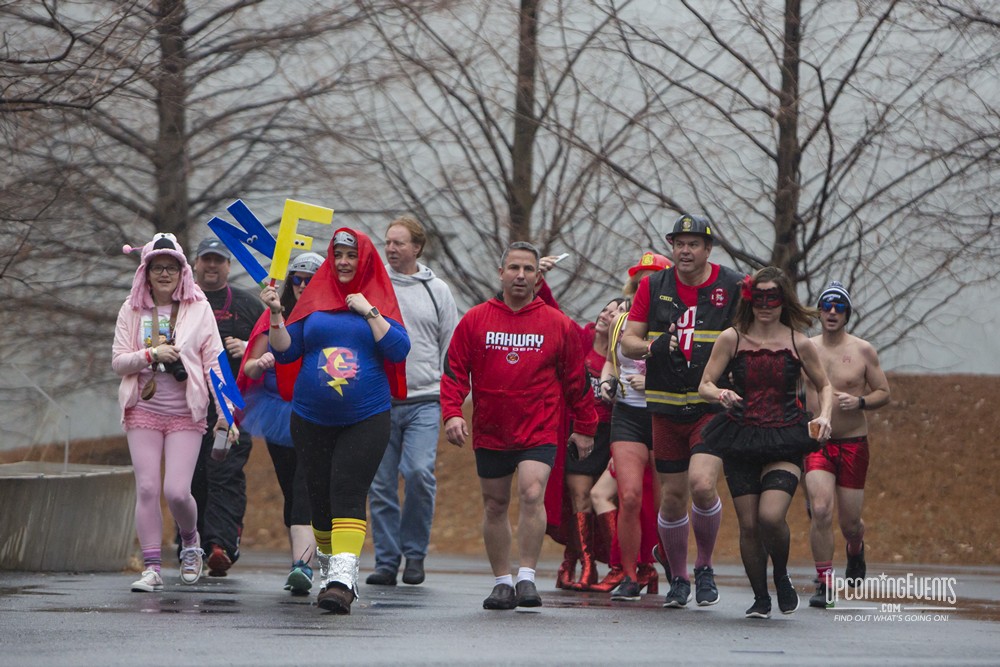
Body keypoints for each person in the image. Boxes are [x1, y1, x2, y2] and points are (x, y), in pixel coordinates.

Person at [440, 241, 598, 610]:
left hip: (539, 426)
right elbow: (453, 372)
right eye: (514, 268)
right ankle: (502, 582)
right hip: (492, 428)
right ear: (501, 273)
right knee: (495, 504)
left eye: (529, 270)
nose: (521, 276)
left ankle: (527, 577)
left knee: (531, 492)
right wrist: (452, 413)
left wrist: (585, 425)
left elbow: (578, 379)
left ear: (538, 276)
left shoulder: (556, 324)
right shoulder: (476, 319)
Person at [263, 227, 409, 614]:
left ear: (364, 259)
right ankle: (329, 575)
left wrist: (370, 311)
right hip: (310, 417)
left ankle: (344, 581)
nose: (344, 262)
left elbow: (398, 349)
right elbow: (285, 351)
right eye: (338, 255)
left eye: (351, 255)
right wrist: (277, 314)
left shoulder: (377, 297)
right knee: (319, 498)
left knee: (347, 489)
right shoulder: (314, 298)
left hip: (366, 417)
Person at [620, 214, 744, 608]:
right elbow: (628, 342)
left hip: (711, 404)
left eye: (694, 244)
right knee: (671, 498)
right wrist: (656, 347)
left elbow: (753, 335)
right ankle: (679, 576)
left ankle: (705, 565)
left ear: (709, 249)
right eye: (679, 243)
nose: (685, 251)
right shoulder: (654, 285)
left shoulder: (734, 285)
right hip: (666, 404)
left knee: (703, 484)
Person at [698, 266, 834, 619]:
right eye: (758, 298)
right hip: (740, 435)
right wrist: (721, 392)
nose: (765, 306)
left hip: (784, 436)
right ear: (749, 299)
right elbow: (705, 384)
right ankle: (760, 596)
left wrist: (825, 416)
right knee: (748, 525)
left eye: (772, 298)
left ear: (783, 300)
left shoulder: (797, 341)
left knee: (771, 517)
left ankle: (782, 575)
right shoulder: (732, 337)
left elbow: (825, 385)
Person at [113, 233, 231, 591]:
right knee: (147, 488)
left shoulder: (199, 308)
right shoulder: (131, 310)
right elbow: (118, 361)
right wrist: (151, 355)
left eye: (172, 267)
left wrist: (226, 412)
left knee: (177, 492)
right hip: (143, 410)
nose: (165, 274)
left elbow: (214, 362)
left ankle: (191, 542)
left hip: (186, 412)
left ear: (183, 272)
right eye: (157, 267)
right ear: (145, 273)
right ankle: (151, 567)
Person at [367, 215, 459, 587]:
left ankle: (415, 554)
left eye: (399, 243)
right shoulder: (373, 287)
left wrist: (451, 401)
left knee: (419, 472)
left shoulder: (437, 289)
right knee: (381, 483)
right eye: (388, 242)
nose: (391, 249)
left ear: (417, 248)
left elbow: (450, 350)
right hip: (379, 400)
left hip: (424, 399)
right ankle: (387, 561)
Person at [237, 252, 324, 595]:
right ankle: (299, 561)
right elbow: (249, 367)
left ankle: (302, 565)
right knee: (291, 487)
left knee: (306, 485)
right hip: (278, 412)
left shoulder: (327, 316)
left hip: (318, 412)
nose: (303, 285)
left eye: (310, 279)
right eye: (298, 278)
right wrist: (263, 364)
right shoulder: (273, 316)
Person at [804, 281, 890, 607]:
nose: (832, 312)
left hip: (853, 442)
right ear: (819, 311)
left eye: (839, 307)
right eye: (826, 305)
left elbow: (884, 392)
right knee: (821, 509)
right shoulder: (806, 348)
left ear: (847, 314)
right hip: (818, 443)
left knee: (849, 523)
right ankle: (824, 583)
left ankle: (856, 549)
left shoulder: (863, 350)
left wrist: (861, 403)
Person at [599, 251, 672, 599]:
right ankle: (629, 575)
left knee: (666, 502)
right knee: (628, 496)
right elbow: (611, 364)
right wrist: (606, 382)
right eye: (640, 278)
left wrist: (657, 384)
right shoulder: (621, 322)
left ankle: (670, 563)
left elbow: (693, 369)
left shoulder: (676, 320)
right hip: (627, 414)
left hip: (665, 413)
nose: (645, 284)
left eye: (652, 278)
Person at [189, 237, 265, 577]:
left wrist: (248, 348)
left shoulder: (248, 305)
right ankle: (190, 544)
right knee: (192, 480)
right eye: (206, 259)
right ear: (195, 263)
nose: (212, 266)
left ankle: (220, 545)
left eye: (218, 260)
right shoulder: (182, 302)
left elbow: (276, 347)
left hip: (236, 408)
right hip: (188, 407)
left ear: (228, 266)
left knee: (225, 474)